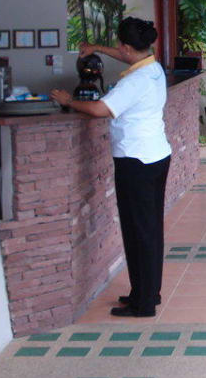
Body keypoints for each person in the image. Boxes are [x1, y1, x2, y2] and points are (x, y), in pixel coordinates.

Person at [50, 17, 172, 317]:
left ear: (128, 47)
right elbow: (124, 54)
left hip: (135, 160)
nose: (118, 50)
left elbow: (99, 109)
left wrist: (68, 100)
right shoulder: (152, 67)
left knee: (138, 231)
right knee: (149, 229)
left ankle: (143, 304)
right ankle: (146, 293)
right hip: (155, 155)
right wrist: (97, 48)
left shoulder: (134, 81)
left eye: (120, 46)